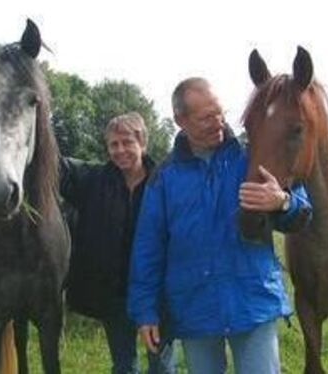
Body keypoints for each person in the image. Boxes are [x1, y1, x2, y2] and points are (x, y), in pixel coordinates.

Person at [128, 78, 312, 374]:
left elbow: (303, 211)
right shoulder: (164, 178)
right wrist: (145, 311)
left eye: (219, 112)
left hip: (252, 300)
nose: (218, 122)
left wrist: (282, 202)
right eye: (205, 118)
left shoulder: (252, 156)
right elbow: (148, 247)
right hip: (194, 307)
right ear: (180, 120)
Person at [60, 112, 176, 374]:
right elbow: (53, 164)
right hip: (115, 296)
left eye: (127, 142)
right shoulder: (94, 181)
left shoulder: (164, 183)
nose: (120, 150)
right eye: (113, 144)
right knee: (123, 365)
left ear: (142, 143)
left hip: (158, 296)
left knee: (161, 365)